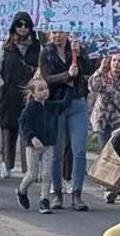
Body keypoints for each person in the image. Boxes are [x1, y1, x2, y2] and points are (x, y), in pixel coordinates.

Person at [39, 31, 95, 211]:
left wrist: (81, 54)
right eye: (55, 33)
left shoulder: (75, 50)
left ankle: (77, 194)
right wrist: (66, 75)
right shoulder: (46, 53)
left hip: (76, 102)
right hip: (56, 104)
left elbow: (89, 69)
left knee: (79, 149)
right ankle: (57, 192)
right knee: (57, 152)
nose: (58, 36)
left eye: (61, 33)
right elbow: (46, 79)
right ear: (50, 35)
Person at [0, 12, 40, 178]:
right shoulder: (4, 47)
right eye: (19, 25)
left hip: (31, 94)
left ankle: (30, 167)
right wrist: (1, 86)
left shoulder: (36, 47)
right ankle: (7, 163)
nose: (22, 28)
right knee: (8, 128)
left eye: (26, 25)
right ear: (14, 26)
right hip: (9, 92)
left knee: (29, 130)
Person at [90, 52, 120, 204]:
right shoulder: (103, 76)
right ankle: (108, 185)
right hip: (102, 120)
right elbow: (93, 86)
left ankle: (114, 186)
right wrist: (101, 69)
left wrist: (111, 91)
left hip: (118, 121)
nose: (116, 64)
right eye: (114, 60)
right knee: (105, 152)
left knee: (118, 155)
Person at [17, 76, 61, 215]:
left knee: (47, 174)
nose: (45, 92)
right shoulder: (29, 109)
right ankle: (22, 191)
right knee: (33, 174)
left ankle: (44, 200)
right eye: (40, 89)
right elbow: (23, 124)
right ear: (33, 93)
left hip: (48, 144)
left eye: (46, 88)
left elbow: (64, 103)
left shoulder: (50, 106)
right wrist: (32, 137)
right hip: (33, 146)